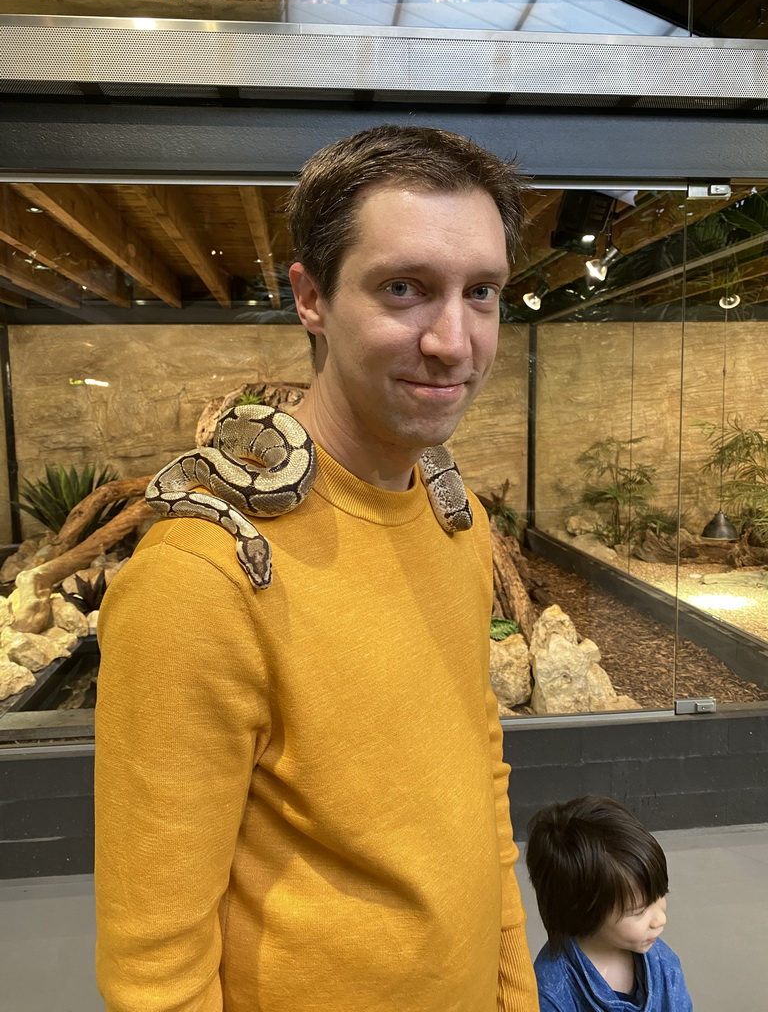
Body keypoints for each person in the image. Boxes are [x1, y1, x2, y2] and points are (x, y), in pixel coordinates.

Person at [95, 124, 539, 1012]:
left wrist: (511, 984)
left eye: (482, 291)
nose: (454, 340)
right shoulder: (198, 575)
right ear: (310, 297)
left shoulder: (457, 519)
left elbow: (475, 766)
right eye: (404, 288)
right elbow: (155, 962)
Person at [525, 795, 693, 1012]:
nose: (660, 919)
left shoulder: (664, 963)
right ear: (583, 911)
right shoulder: (552, 991)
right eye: (639, 911)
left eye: (659, 895)